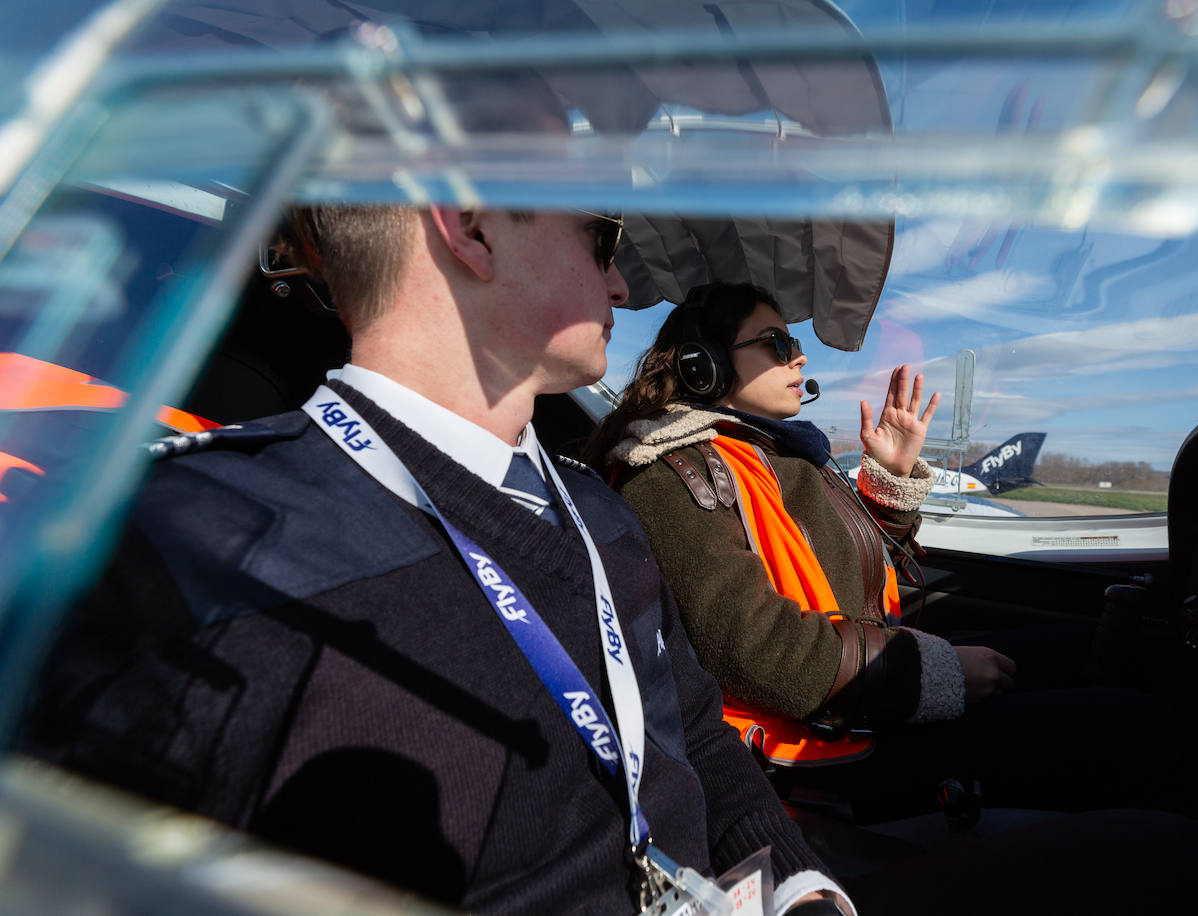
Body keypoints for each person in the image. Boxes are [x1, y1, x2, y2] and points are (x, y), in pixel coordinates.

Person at [16, 207, 860, 914]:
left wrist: (804, 893)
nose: (621, 285)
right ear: (472, 226)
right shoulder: (191, 550)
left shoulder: (599, 510)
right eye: (600, 240)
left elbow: (699, 745)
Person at [584, 282, 1183, 815]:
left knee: (1094, 645)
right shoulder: (672, 474)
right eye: (774, 342)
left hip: (865, 685)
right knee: (1133, 724)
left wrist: (887, 486)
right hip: (823, 741)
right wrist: (930, 673)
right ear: (703, 365)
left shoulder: (775, 453)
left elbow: (851, 578)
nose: (799, 357)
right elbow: (755, 653)